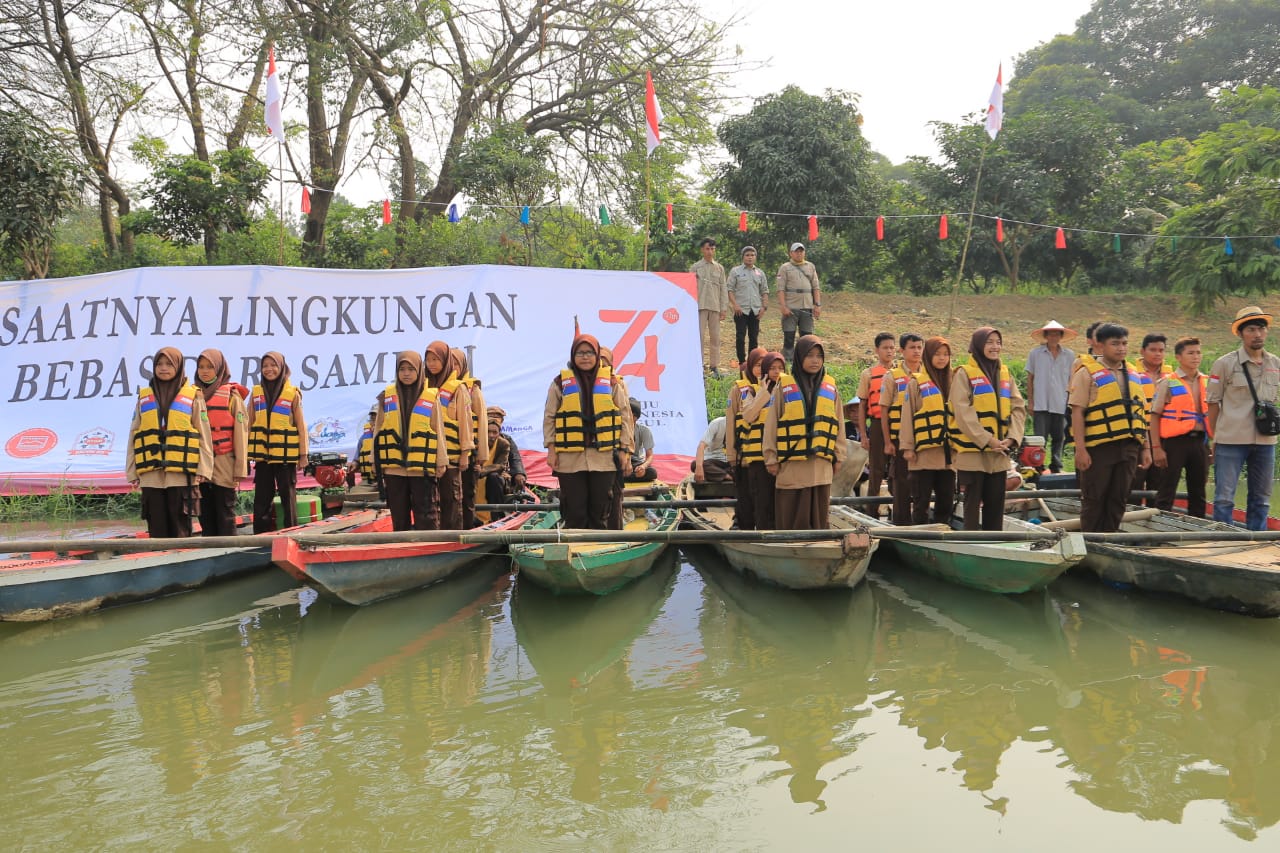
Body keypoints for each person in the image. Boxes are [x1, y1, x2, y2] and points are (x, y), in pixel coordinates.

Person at [544, 333, 633, 529]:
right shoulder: (559, 383)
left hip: (604, 458)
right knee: (574, 509)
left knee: (600, 509)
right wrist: (551, 449)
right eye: (580, 353)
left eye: (590, 353)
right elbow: (550, 417)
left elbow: (625, 417)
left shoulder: (610, 383)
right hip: (569, 459)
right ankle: (575, 550)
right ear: (573, 356)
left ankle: (598, 548)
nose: (585, 357)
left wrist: (625, 450)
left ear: (597, 354)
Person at [125, 347, 213, 538]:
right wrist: (132, 471)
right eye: (159, 364)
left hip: (181, 474)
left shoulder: (194, 396)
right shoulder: (144, 397)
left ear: (178, 366)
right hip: (151, 475)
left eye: (169, 364)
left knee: (180, 526)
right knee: (156, 527)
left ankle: (183, 562)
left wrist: (203, 469)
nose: (163, 368)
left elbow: (204, 436)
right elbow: (133, 435)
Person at [1070, 323, 1150, 532]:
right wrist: (1080, 450)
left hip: (1129, 446)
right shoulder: (1086, 373)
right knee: (1094, 497)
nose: (1121, 348)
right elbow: (1077, 412)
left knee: (1119, 497)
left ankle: (1110, 538)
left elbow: (1141, 412)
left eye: (1124, 343)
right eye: (1115, 344)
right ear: (1100, 346)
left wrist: (1146, 448)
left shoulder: (1134, 373)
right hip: (1099, 447)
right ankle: (1090, 541)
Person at [1207, 306, 1280, 530]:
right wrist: (1214, 436)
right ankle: (1221, 543)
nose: (1257, 334)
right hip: (1231, 440)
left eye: (1261, 329)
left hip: (1265, 441)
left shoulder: (1275, 364)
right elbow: (1212, 403)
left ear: (1266, 332)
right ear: (1240, 333)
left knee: (1261, 498)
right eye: (1251, 329)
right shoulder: (1225, 363)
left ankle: (1256, 543)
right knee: (1224, 498)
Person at [763, 335, 845, 529]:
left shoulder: (830, 387)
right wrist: (771, 457)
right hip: (791, 464)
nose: (815, 360)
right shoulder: (783, 387)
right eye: (809, 355)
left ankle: (818, 547)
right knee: (791, 514)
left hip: (821, 465)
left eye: (819, 356)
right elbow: (771, 424)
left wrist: (839, 456)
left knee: (819, 515)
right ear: (799, 358)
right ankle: (790, 548)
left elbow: (839, 423)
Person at [950, 328, 1027, 531]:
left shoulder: (1005, 374)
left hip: (1000, 454)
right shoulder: (964, 374)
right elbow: (962, 412)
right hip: (973, 454)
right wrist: (987, 439)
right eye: (989, 342)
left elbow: (1018, 408)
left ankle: (995, 542)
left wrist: (1012, 438)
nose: (995, 347)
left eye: (998, 342)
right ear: (978, 345)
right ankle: (971, 545)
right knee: (972, 507)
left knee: (995, 506)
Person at [373, 351, 446, 531]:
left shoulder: (430, 397)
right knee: (398, 513)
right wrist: (374, 461)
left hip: (421, 469)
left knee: (426, 513)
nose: (406, 373)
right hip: (394, 469)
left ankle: (429, 548)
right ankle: (401, 548)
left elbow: (438, 430)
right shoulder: (386, 397)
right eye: (402, 369)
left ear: (419, 370)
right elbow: (378, 430)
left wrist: (441, 461)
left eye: (411, 369)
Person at [247, 351, 308, 532]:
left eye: (273, 365)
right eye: (265, 366)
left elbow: (301, 425)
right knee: (261, 498)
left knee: (288, 497)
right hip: (263, 457)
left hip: (284, 457)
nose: (269, 369)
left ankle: (292, 533)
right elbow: (249, 424)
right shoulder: (256, 393)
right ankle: (261, 536)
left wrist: (303, 455)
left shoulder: (293, 394)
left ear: (281, 367)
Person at [899, 336, 956, 525]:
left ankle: (943, 530)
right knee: (921, 499)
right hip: (923, 454)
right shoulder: (916, 383)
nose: (942, 358)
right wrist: (908, 447)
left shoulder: (955, 380)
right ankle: (920, 532)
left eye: (946, 354)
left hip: (949, 454)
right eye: (937, 354)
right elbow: (907, 416)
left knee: (946, 498)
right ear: (928, 356)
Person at [1151, 336, 1210, 517]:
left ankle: (1197, 533)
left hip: (1200, 442)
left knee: (1198, 491)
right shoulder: (1168, 382)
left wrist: (1214, 444)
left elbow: (1214, 416)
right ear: (1178, 357)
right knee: (1167, 490)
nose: (1195, 357)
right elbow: (1154, 416)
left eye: (1198, 352)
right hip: (1174, 443)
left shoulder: (1207, 382)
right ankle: (1159, 535)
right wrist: (1156, 448)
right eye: (1190, 353)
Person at [193, 348, 249, 536]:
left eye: (210, 366)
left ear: (219, 368)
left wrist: (240, 468)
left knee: (225, 510)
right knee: (204, 511)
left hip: (224, 461)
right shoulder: (192, 395)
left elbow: (241, 434)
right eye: (201, 367)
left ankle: (230, 551)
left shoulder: (232, 396)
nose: (205, 371)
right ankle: (208, 551)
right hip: (199, 463)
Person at [424, 341, 473, 529]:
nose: (431, 364)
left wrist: (465, 454)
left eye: (436, 359)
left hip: (452, 458)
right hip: (427, 457)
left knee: (451, 500)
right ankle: (432, 541)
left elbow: (466, 423)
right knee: (430, 502)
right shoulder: (422, 386)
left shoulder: (458, 389)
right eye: (428, 360)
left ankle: (453, 539)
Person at [881, 333, 924, 524]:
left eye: (919, 347)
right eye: (912, 347)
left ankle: (921, 521)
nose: (916, 351)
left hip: (924, 438)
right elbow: (884, 410)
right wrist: (888, 442)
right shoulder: (892, 376)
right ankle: (901, 521)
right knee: (901, 482)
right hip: (899, 438)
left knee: (921, 482)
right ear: (902, 351)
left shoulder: (929, 374)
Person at [740, 350, 784, 528]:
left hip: (783, 456)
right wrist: (764, 393)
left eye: (780, 368)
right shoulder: (753, 391)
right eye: (772, 368)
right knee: (762, 500)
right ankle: (763, 533)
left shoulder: (789, 391)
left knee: (781, 499)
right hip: (759, 458)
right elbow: (748, 416)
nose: (777, 372)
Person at [1025, 320, 1077, 474]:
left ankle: (1056, 465)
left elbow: (1072, 380)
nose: (1053, 336)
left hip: (1061, 402)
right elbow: (1030, 378)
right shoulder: (1035, 354)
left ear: (1061, 336)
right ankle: (1038, 466)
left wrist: (1071, 402)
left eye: (1056, 334)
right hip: (1041, 402)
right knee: (1040, 438)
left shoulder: (1069, 355)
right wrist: (1031, 402)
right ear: (1045, 336)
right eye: (1050, 333)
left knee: (1059, 437)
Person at [854, 333, 897, 516]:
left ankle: (899, 512)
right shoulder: (869, 374)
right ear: (877, 350)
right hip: (878, 425)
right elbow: (862, 405)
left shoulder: (901, 372)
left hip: (899, 425)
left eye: (892, 347)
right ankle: (872, 513)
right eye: (885, 347)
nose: (889, 351)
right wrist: (864, 435)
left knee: (899, 472)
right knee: (876, 472)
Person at [726, 347, 767, 528]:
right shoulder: (738, 390)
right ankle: (743, 527)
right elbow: (730, 423)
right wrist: (732, 455)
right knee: (745, 496)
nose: (760, 369)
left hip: (768, 456)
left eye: (764, 365)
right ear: (750, 366)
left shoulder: (777, 388)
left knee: (764, 499)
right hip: (744, 454)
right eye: (757, 365)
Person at [1132, 333, 1172, 504]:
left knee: (1159, 481)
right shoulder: (1131, 373)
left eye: (1161, 350)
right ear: (1142, 351)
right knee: (1135, 479)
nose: (1158, 354)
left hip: (1164, 433)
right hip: (1139, 431)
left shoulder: (1171, 375)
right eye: (1153, 350)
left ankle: (1154, 518)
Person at [451, 347, 488, 528]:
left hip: (469, 454)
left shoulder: (473, 390)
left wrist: (482, 455)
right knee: (448, 497)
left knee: (467, 495)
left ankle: (466, 531)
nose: (452, 367)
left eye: (456, 363)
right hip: (446, 454)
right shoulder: (435, 389)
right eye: (449, 363)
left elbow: (481, 422)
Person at [476, 406, 526, 523]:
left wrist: (519, 473)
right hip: (476, 475)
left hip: (496, 476)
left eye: (498, 418)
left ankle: (497, 515)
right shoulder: (475, 437)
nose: (491, 435)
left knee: (494, 479)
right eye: (491, 417)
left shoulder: (505, 440)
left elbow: (515, 458)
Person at [775, 242, 821, 362]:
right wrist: (783, 306)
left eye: (801, 251)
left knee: (807, 336)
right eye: (796, 251)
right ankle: (789, 360)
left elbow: (816, 287)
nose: (799, 253)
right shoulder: (785, 267)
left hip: (807, 306)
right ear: (791, 253)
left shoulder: (810, 266)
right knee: (789, 335)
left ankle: (804, 358)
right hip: (791, 307)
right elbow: (780, 289)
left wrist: (817, 305)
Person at [690, 238, 728, 375]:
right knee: (699, 337)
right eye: (707, 248)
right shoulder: (695, 268)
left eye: (712, 249)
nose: (710, 251)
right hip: (699, 306)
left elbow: (723, 288)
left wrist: (723, 308)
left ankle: (714, 366)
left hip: (715, 306)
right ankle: (698, 365)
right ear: (702, 250)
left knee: (715, 337)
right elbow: (689, 287)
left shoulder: (719, 268)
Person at [727, 247, 769, 365]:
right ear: (743, 257)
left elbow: (765, 291)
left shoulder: (760, 273)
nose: (750, 257)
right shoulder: (735, 271)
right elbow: (730, 289)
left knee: (753, 337)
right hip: (741, 310)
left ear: (755, 257)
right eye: (747, 255)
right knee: (740, 337)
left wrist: (764, 307)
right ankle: (741, 362)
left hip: (755, 310)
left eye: (752, 255)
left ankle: (752, 361)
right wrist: (735, 305)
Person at [692, 416, 733, 484]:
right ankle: (727, 476)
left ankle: (717, 475)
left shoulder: (744, 422)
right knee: (694, 465)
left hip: (731, 462)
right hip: (714, 461)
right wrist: (699, 467)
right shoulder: (717, 423)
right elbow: (701, 445)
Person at [626, 399, 658, 482]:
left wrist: (643, 467)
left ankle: (624, 478)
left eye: (628, 414)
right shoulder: (617, 429)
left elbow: (650, 455)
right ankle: (627, 477)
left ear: (635, 417)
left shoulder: (644, 430)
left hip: (636, 463)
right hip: (622, 462)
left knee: (652, 472)